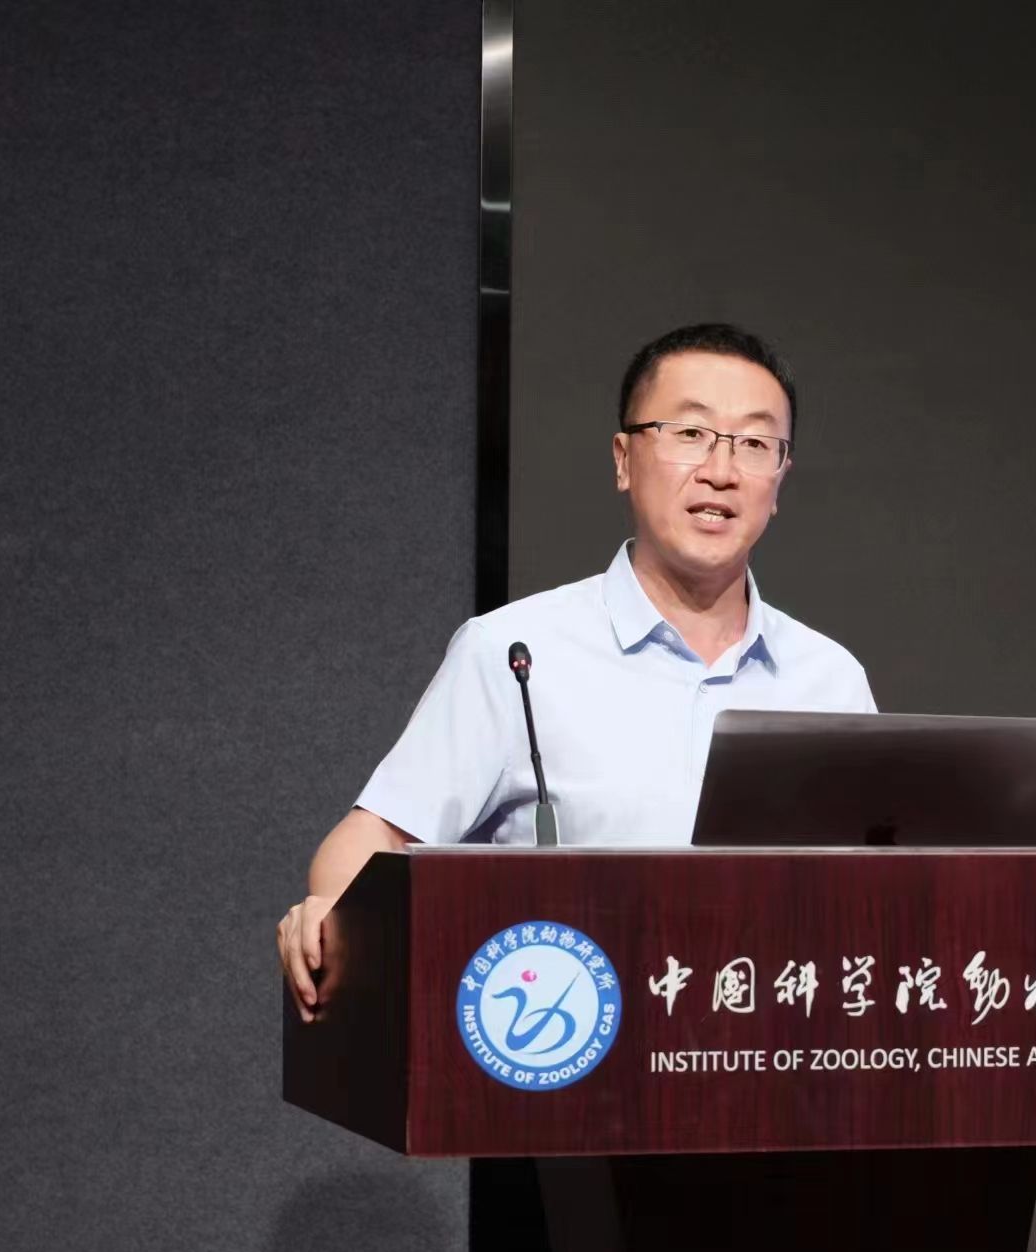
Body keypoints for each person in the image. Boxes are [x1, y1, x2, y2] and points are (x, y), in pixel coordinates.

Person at [277, 322, 875, 1019]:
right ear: (624, 459)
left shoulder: (829, 679)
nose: (721, 469)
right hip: (572, 1051)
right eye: (689, 433)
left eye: (754, 443)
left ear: (779, 481)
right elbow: (375, 836)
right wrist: (335, 913)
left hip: (770, 1056)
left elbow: (879, 898)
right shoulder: (514, 652)